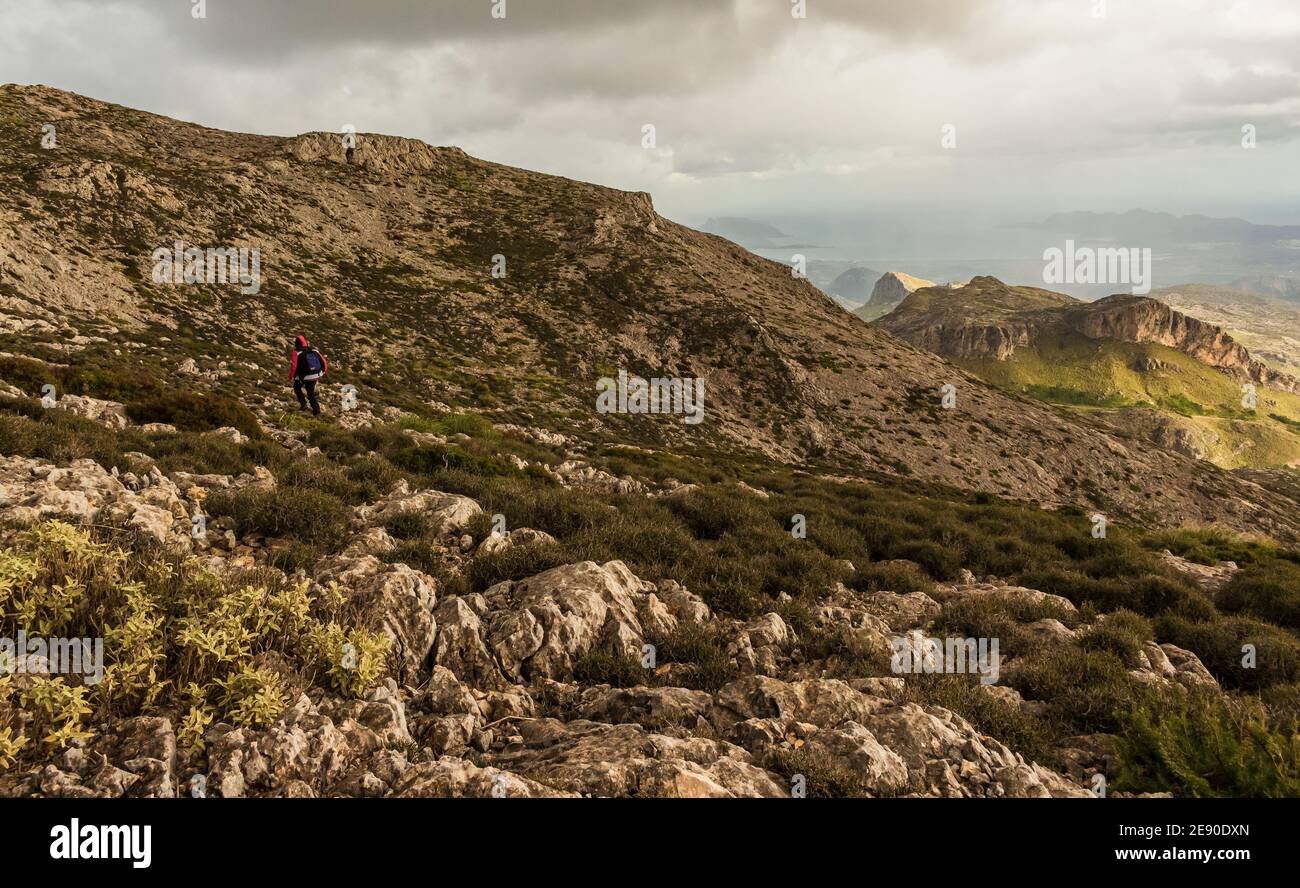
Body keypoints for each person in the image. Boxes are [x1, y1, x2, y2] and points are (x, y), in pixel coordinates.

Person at [288, 335, 329, 415]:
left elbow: (294, 366)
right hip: (315, 375)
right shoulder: (314, 350)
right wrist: (323, 372)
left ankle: (303, 405)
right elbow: (323, 361)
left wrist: (291, 376)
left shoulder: (296, 352)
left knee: (297, 388)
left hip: (303, 376)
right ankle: (316, 411)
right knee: (311, 393)